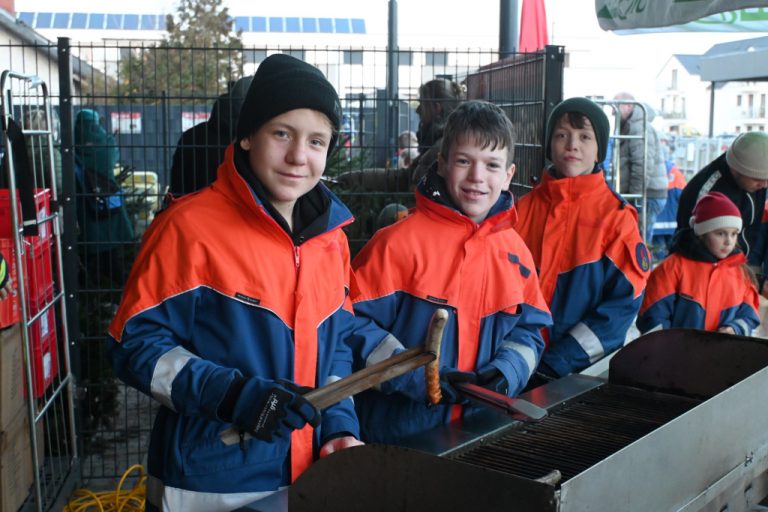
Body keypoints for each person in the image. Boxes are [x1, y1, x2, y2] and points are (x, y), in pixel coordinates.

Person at [107, 54, 364, 511]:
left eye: (317, 141)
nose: (298, 156)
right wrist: (234, 396)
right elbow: (135, 346)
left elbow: (337, 346)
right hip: (208, 486)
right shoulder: (188, 229)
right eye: (282, 133)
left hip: (308, 478)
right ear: (247, 136)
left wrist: (340, 425)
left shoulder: (332, 241)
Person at [348, 100, 552, 445]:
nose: (476, 177)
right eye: (463, 161)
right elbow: (351, 329)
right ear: (442, 164)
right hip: (398, 437)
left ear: (508, 176)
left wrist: (504, 376)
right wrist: (421, 379)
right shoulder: (396, 245)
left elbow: (531, 331)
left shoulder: (515, 253)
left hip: (481, 433)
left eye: (491, 165)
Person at [515, 97, 650, 383]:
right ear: (550, 145)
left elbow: (620, 308)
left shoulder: (616, 219)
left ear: (600, 149)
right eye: (562, 135)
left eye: (585, 137)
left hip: (578, 376)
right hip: (514, 364)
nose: (572, 144)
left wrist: (556, 364)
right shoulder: (521, 210)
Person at [637, 192, 759, 335]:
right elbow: (653, 314)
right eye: (720, 233)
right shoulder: (673, 267)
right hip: (678, 354)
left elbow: (749, 314)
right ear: (702, 233)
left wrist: (735, 328)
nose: (728, 242)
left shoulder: (740, 271)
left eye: (734, 234)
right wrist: (667, 348)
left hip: (724, 353)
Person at [676, 132, 768, 270]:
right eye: (757, 179)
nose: (764, 185)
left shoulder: (757, 178)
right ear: (737, 169)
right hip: (708, 271)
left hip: (739, 266)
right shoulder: (707, 193)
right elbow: (693, 244)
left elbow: (753, 228)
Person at [74, 109, 135, 289]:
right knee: (112, 260)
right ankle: (125, 292)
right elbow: (113, 158)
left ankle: (89, 300)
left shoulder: (73, 147)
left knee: (89, 260)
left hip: (86, 209)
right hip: (108, 206)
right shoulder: (107, 144)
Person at [169, 75, 253, 197]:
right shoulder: (255, 143)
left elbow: (177, 186)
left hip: (190, 210)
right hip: (237, 212)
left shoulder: (191, 137)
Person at [613, 92, 668, 243]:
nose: (612, 110)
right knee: (638, 238)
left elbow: (642, 165)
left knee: (639, 241)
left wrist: (635, 198)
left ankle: (644, 266)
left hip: (646, 194)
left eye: (616, 106)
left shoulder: (638, 128)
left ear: (629, 106)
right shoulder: (632, 126)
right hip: (645, 193)